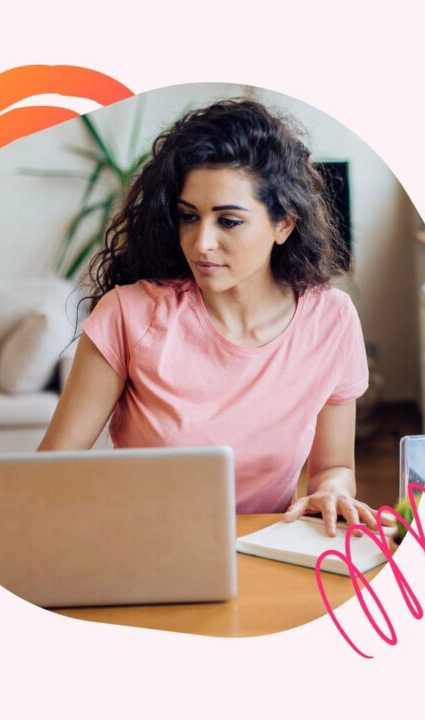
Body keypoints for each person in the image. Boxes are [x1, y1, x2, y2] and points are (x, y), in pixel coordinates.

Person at [38, 98, 388, 537]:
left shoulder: (331, 320)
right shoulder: (129, 314)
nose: (201, 242)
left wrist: (333, 491)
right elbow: (54, 464)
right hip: (141, 547)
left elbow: (334, 465)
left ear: (284, 224)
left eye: (229, 222)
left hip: (266, 552)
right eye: (189, 217)